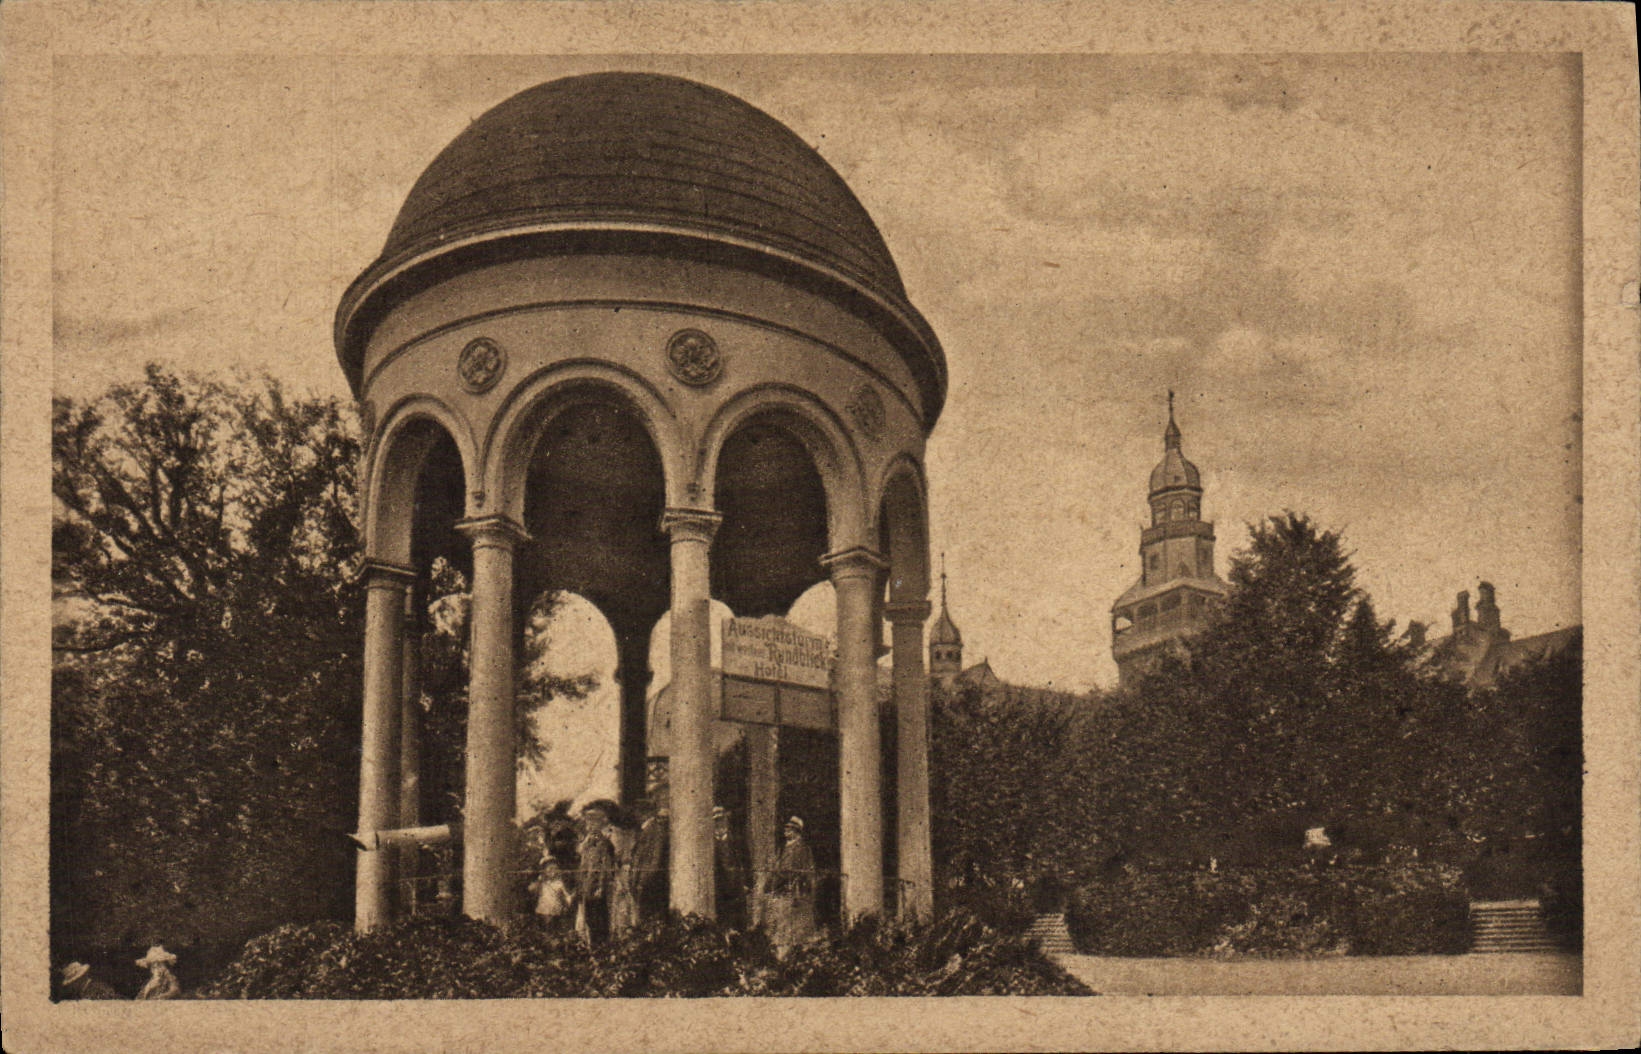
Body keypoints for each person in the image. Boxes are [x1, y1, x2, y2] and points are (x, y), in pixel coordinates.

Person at [767, 816, 816, 959]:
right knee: (781, 924)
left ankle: (793, 954)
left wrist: (780, 876)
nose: (786, 831)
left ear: (796, 831)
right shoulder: (783, 848)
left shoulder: (802, 849)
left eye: (789, 829)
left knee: (794, 927)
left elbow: (804, 871)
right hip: (781, 891)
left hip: (794, 892)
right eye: (786, 828)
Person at [575, 802, 618, 947]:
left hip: (597, 887)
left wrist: (601, 886)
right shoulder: (587, 842)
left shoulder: (604, 843)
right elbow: (582, 864)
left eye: (593, 822)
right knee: (589, 919)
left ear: (599, 824)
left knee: (599, 919)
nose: (590, 825)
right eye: (588, 822)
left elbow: (606, 867)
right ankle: (593, 946)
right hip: (587, 886)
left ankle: (601, 947)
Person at [632, 797, 670, 923]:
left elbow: (655, 859)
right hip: (645, 883)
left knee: (649, 920)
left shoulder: (654, 830)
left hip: (650, 885)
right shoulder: (647, 830)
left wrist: (642, 881)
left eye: (638, 812)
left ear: (644, 813)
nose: (636, 816)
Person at [712, 805, 749, 928]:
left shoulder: (737, 839)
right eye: (716, 821)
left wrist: (747, 883)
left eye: (721, 820)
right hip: (718, 886)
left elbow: (746, 861)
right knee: (721, 917)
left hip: (736, 885)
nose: (719, 824)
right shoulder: (709, 842)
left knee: (738, 918)